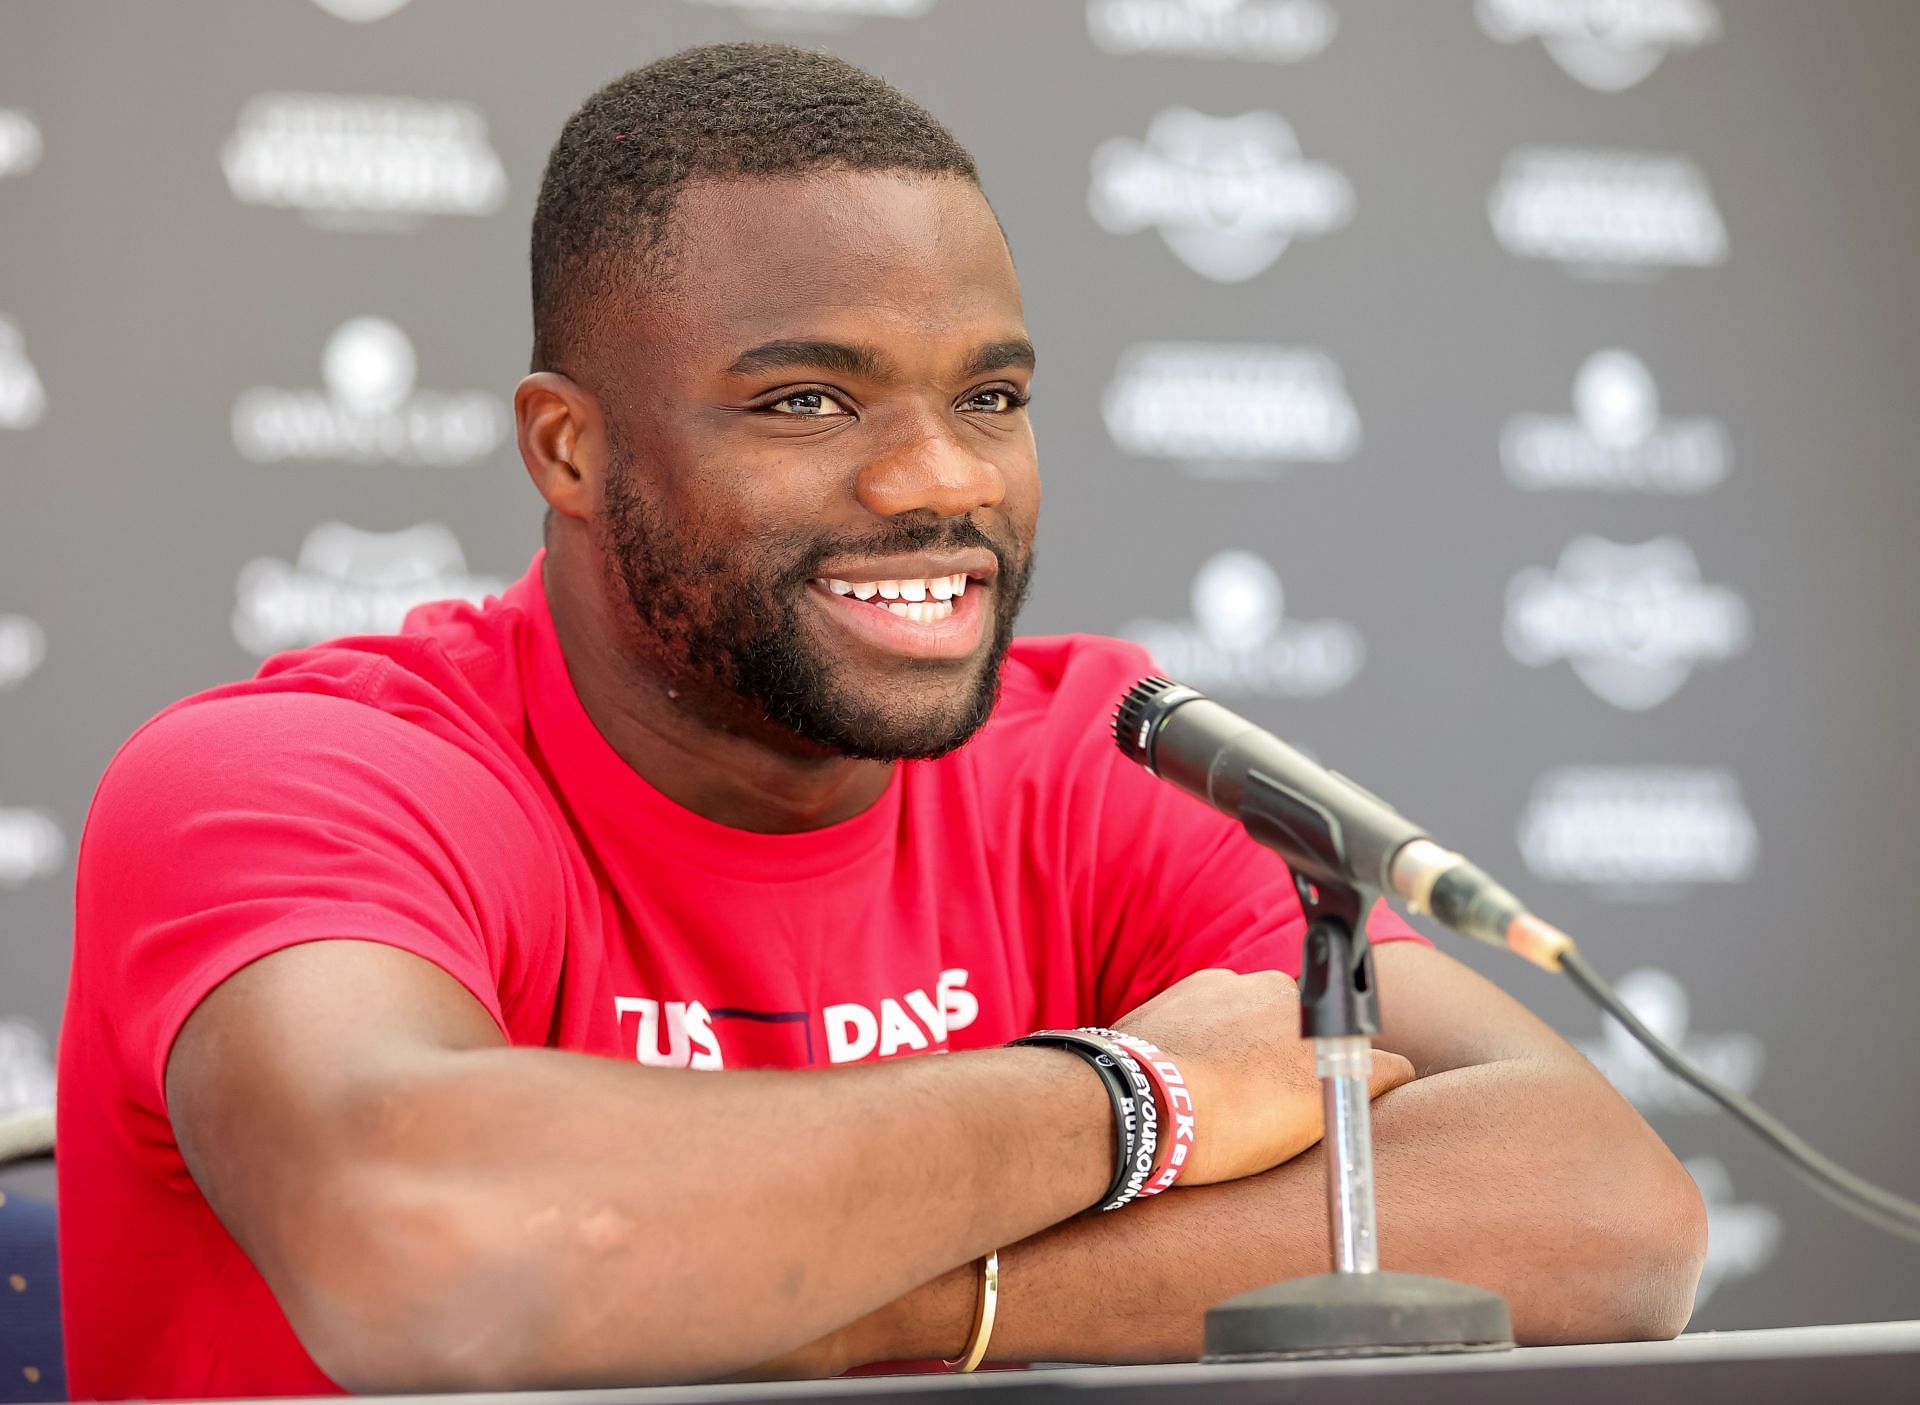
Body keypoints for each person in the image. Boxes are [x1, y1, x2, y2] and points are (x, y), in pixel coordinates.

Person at [56, 43, 1705, 1400]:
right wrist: (1133, 1102)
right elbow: (426, 1237)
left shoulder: (1096, 758)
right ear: (568, 450)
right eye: (806, 400)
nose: (945, 481)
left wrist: (842, 1307)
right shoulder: (305, 780)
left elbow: (1599, 1205)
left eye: (990, 395)